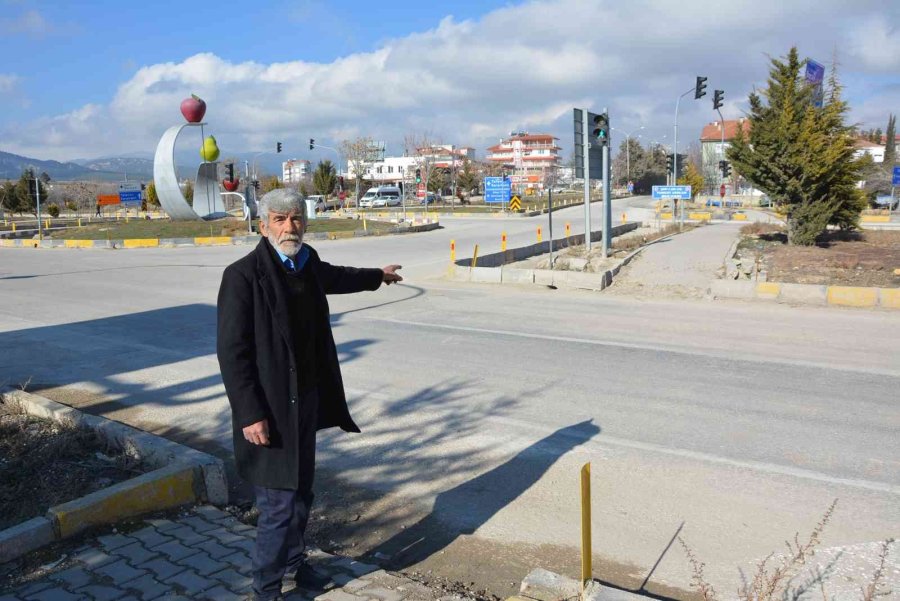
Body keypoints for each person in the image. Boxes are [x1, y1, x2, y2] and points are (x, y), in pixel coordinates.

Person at [216, 189, 402, 601]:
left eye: (296, 218)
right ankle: (266, 590)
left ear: (306, 221)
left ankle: (297, 564)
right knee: (278, 505)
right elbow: (233, 353)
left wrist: (377, 276)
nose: (289, 227)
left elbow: (337, 276)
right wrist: (250, 414)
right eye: (279, 220)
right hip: (268, 411)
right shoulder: (243, 276)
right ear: (262, 226)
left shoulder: (307, 262)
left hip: (305, 404)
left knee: (301, 493)